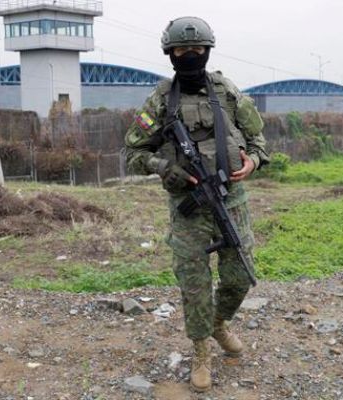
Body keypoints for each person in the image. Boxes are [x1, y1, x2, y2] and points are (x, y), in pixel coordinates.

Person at [124, 16, 269, 392]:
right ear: (170, 54)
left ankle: (218, 323)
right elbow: (133, 152)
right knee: (194, 284)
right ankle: (202, 350)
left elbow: (259, 141)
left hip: (231, 201)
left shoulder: (227, 91)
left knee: (239, 278)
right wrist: (162, 167)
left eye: (197, 50)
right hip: (187, 206)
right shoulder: (160, 100)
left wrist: (252, 161)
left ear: (207, 51)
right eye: (181, 50)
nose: (190, 55)